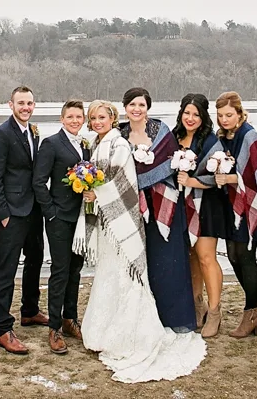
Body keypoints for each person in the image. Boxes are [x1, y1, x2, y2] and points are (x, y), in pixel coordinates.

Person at [74, 100, 206, 383]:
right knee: (109, 275)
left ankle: (131, 333)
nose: (97, 122)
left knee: (125, 276)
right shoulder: (100, 143)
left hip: (121, 221)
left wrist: (98, 195)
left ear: (112, 117)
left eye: (102, 117)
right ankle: (104, 328)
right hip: (108, 222)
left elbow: (126, 184)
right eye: (93, 118)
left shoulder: (119, 144)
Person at [121, 87, 196, 333]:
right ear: (125, 108)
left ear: (147, 108)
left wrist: (145, 179)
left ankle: (173, 318)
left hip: (165, 206)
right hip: (133, 209)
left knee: (167, 263)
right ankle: (142, 318)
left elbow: (171, 164)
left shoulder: (161, 131)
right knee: (140, 263)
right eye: (132, 104)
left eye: (141, 105)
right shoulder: (119, 135)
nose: (136, 109)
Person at [0, 86, 48, 355]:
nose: (26, 107)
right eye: (21, 103)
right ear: (10, 104)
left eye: (30, 103)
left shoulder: (32, 131)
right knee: (6, 271)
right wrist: (2, 215)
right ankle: (3, 328)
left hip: (33, 210)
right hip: (11, 213)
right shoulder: (1, 135)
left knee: (35, 260)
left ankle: (30, 310)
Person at [33, 100, 89, 354]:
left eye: (79, 116)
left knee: (76, 269)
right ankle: (54, 327)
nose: (75, 120)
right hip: (59, 218)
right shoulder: (51, 143)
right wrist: (51, 213)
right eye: (71, 116)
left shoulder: (85, 145)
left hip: (81, 217)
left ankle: (70, 319)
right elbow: (39, 182)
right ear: (62, 119)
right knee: (60, 271)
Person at [172, 93, 225, 338]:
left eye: (196, 114)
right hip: (180, 205)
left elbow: (219, 176)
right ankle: (196, 304)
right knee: (190, 256)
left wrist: (194, 181)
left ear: (203, 117)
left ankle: (215, 311)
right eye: (187, 113)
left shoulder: (210, 142)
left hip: (206, 205)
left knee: (205, 257)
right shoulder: (174, 138)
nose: (190, 118)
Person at [216, 90, 257, 338]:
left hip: (249, 204)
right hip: (229, 203)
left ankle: (251, 312)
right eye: (220, 115)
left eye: (229, 114)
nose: (224, 119)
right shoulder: (221, 137)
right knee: (234, 256)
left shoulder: (250, 136)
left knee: (245, 255)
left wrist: (230, 177)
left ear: (239, 113)